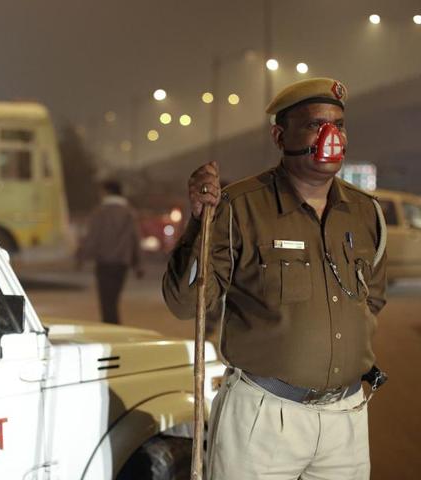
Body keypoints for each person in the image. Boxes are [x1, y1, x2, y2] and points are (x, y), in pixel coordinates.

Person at [162, 78, 387, 479]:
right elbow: (185, 304)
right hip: (263, 418)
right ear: (280, 136)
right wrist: (200, 224)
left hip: (346, 419)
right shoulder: (239, 207)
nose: (331, 135)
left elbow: (373, 298)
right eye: (316, 125)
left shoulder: (366, 213)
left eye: (338, 124)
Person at [77, 179, 144, 324]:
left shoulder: (100, 212)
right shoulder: (129, 213)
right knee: (113, 298)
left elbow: (92, 237)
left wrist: (82, 257)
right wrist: (138, 264)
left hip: (104, 263)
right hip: (122, 263)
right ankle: (113, 326)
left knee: (106, 302)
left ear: (107, 192)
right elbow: (135, 239)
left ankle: (112, 327)